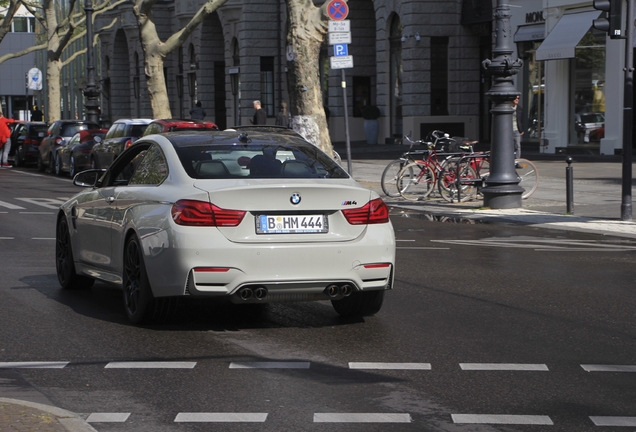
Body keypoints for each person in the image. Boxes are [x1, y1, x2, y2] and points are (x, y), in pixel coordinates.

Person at [511, 95, 524, 159]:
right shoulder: (507, 107)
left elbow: (521, 120)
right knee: (510, 146)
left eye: (518, 98)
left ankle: (517, 161)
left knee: (517, 146)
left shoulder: (519, 108)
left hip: (516, 130)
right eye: (515, 98)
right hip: (508, 130)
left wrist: (521, 130)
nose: (517, 99)